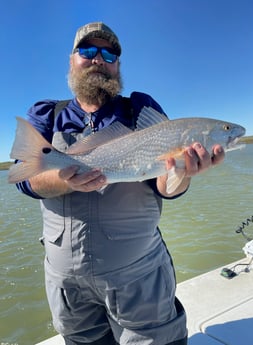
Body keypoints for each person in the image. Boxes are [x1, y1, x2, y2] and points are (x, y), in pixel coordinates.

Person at [15, 22, 225, 345]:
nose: (98, 58)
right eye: (87, 51)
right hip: (71, 296)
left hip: (139, 285)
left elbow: (165, 187)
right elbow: (22, 178)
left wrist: (182, 172)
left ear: (118, 65)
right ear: (72, 60)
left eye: (109, 52)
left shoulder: (140, 110)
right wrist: (64, 178)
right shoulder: (48, 115)